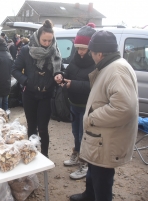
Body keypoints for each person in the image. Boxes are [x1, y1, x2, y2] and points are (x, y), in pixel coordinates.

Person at [67, 31, 138, 201]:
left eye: (91, 51)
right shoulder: (110, 66)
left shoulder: (117, 70)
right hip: (100, 137)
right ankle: (89, 195)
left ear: (99, 53)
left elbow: (125, 108)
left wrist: (92, 116)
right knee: (94, 168)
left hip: (107, 138)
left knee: (102, 179)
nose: (90, 55)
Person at [12, 19, 62, 157]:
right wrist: (26, 81)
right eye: (44, 40)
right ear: (37, 37)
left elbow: (60, 70)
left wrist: (59, 75)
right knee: (32, 127)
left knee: (43, 128)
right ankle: (31, 154)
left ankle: (44, 156)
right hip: (29, 94)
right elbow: (15, 69)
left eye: (49, 41)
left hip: (46, 95)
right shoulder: (26, 50)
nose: (47, 44)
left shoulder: (55, 51)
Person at [55, 24, 96, 180]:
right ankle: (76, 154)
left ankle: (85, 163)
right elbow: (68, 72)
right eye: (77, 48)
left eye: (83, 49)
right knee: (75, 133)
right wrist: (60, 75)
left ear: (91, 48)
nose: (79, 51)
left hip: (87, 106)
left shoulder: (95, 62)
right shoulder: (75, 58)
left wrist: (73, 84)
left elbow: (94, 85)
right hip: (74, 103)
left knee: (84, 135)